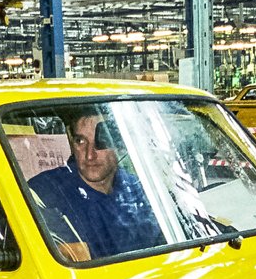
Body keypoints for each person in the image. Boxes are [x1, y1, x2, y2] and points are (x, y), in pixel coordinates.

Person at [29, 109, 162, 260]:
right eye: (80, 141)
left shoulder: (139, 190)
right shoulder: (45, 193)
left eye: (101, 142)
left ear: (119, 144)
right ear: (71, 143)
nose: (89, 155)